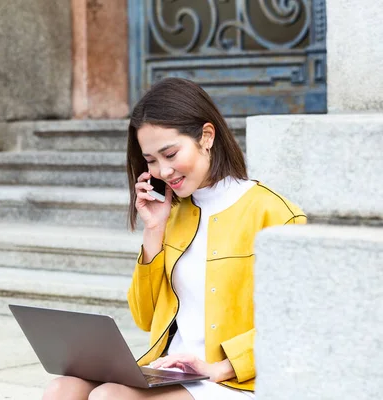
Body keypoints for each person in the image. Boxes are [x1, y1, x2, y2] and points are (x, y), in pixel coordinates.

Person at [42, 78, 306, 400]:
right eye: (151, 160)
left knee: (109, 397)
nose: (163, 171)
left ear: (206, 136)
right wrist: (154, 231)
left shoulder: (273, 213)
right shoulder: (174, 214)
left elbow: (300, 322)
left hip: (232, 379)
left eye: (170, 154)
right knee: (62, 389)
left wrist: (218, 367)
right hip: (170, 371)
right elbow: (145, 318)